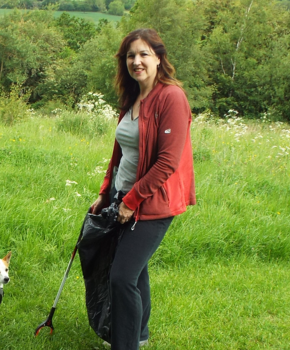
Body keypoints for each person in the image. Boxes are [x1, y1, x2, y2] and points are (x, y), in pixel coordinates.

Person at [90, 28, 196, 349]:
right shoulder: (133, 98)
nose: (137, 61)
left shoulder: (171, 97)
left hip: (153, 203)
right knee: (135, 272)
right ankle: (140, 335)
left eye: (144, 54)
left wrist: (132, 200)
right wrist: (106, 192)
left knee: (121, 277)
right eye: (130, 56)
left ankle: (126, 345)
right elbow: (119, 153)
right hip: (124, 197)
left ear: (159, 58)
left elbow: (166, 162)